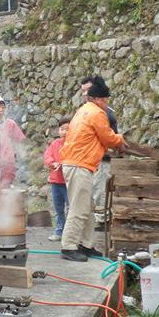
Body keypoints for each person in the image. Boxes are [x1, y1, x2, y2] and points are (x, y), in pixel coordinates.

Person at [59, 78, 126, 262]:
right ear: (98, 99)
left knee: (87, 207)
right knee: (79, 209)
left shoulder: (83, 110)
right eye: (105, 100)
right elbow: (108, 138)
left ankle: (86, 244)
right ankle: (69, 245)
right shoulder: (96, 113)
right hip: (79, 164)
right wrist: (120, 140)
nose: (107, 104)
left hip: (77, 163)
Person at [80, 75, 119, 227]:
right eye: (83, 91)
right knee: (95, 190)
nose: (85, 94)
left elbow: (110, 137)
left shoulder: (104, 112)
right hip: (90, 158)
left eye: (87, 90)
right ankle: (99, 219)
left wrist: (117, 144)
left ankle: (102, 221)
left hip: (103, 158)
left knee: (100, 190)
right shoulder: (87, 110)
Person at [44, 117, 71, 242]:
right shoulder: (55, 144)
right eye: (62, 129)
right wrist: (53, 163)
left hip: (68, 182)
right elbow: (47, 157)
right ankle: (59, 231)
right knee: (58, 208)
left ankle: (70, 234)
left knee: (70, 208)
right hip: (56, 182)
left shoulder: (73, 144)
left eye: (67, 129)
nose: (64, 132)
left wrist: (62, 162)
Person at [0, 95, 26, 189]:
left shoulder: (10, 124)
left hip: (8, 160)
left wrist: (16, 153)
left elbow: (19, 140)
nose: (1, 109)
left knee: (6, 188)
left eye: (3, 107)